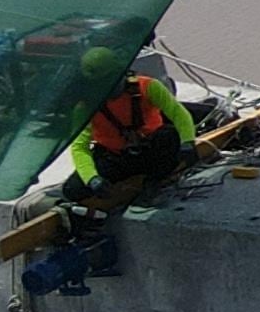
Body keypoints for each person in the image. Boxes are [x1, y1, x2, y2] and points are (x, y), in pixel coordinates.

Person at [65, 59, 197, 204]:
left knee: (169, 135)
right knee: (73, 189)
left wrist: (188, 141)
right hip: (116, 158)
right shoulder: (85, 107)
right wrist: (92, 179)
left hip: (152, 150)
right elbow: (79, 147)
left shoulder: (148, 86)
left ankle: (155, 180)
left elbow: (179, 114)